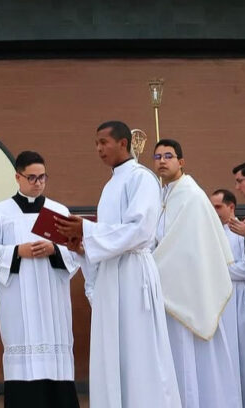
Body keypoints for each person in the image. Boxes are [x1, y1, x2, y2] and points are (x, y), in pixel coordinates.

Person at [54, 121, 180, 408]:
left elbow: (139, 229)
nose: (98, 149)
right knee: (113, 350)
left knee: (138, 350)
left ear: (123, 143)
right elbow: (110, 233)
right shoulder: (112, 184)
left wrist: (86, 231)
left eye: (104, 142)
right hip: (112, 274)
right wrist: (83, 247)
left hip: (134, 275)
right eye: (96, 143)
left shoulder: (141, 178)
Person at [0, 150, 81, 408]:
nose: (38, 183)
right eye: (32, 178)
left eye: (42, 177)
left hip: (52, 298)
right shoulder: (0, 212)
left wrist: (55, 250)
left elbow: (76, 250)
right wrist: (16, 252)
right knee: (22, 360)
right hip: (18, 300)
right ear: (18, 177)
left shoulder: (58, 211)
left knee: (57, 361)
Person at [150, 139, 238, 408]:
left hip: (188, 289)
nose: (162, 161)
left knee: (191, 353)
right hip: (167, 287)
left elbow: (188, 245)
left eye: (169, 156)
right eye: (157, 157)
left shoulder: (191, 195)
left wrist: (151, 266)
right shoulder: (161, 194)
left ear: (181, 161)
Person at [211, 189, 245, 408]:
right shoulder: (209, 231)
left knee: (244, 359)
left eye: (218, 207)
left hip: (240, 303)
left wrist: (217, 271)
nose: (214, 211)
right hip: (218, 305)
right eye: (211, 207)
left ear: (231, 207)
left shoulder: (243, 231)